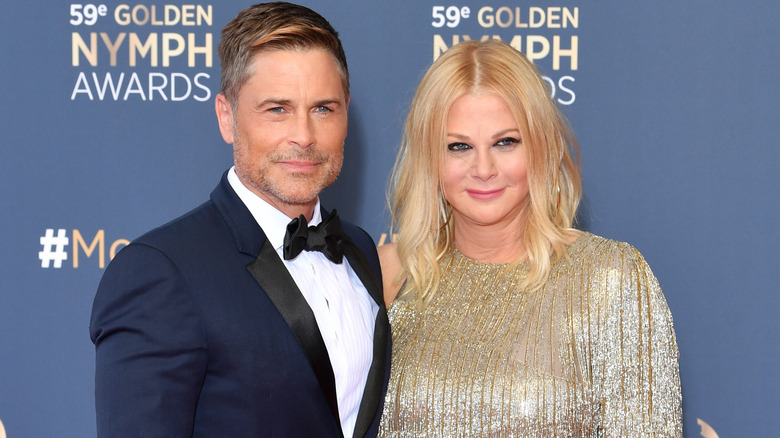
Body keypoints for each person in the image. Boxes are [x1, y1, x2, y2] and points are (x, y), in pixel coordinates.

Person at [89, 3, 390, 437]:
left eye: (323, 108)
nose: (303, 136)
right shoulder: (160, 272)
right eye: (277, 109)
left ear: (346, 115)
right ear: (227, 117)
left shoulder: (359, 250)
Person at [377, 40, 682, 437]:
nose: (483, 168)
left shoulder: (610, 278)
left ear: (542, 146)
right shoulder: (390, 274)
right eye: (459, 146)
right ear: (429, 159)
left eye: (506, 142)